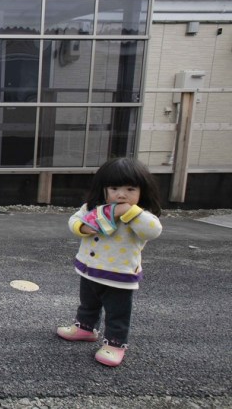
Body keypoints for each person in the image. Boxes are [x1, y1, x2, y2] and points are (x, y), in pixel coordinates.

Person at [56, 157, 162, 367]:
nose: (121, 194)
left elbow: (153, 230)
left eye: (130, 189)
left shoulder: (141, 216)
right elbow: (74, 220)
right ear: (103, 189)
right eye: (114, 188)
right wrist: (84, 228)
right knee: (88, 303)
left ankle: (115, 344)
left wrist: (130, 212)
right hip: (89, 270)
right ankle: (85, 327)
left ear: (143, 191)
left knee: (117, 312)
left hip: (119, 276)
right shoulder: (94, 209)